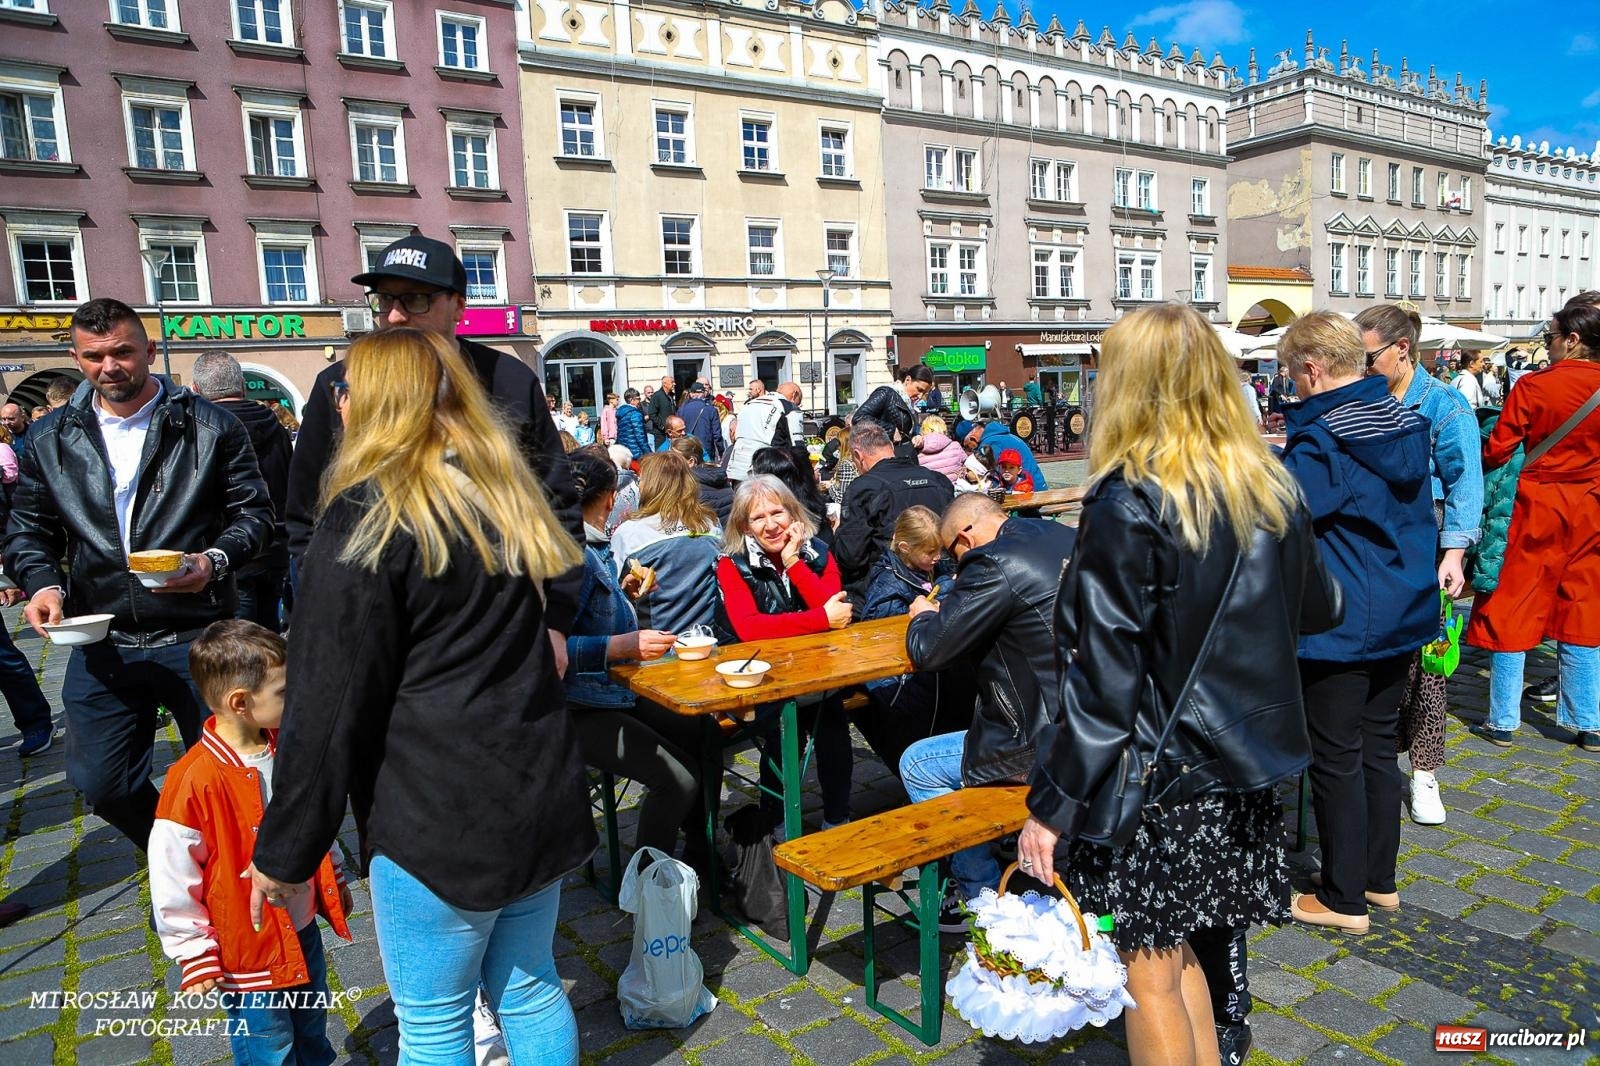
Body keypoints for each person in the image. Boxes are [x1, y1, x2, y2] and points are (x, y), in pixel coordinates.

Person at [248, 327, 593, 1064]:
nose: (336, 401)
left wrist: (285, 852)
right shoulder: (499, 488)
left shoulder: (371, 514)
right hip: (529, 780)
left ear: (372, 401)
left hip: (436, 810)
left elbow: (325, 701)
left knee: (435, 1021)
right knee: (531, 989)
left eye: (346, 388)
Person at [1017, 303, 1340, 1066]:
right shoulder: (1267, 482)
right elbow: (1319, 607)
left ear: (1128, 385)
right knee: (1179, 951)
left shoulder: (1129, 498)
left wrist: (1052, 808)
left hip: (1156, 778)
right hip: (1241, 764)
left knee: (1147, 972)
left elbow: (1103, 679)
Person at [4, 298, 273, 850]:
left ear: (149, 351)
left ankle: (249, 880)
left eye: (123, 352)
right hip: (105, 637)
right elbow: (28, 530)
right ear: (77, 359)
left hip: (199, 634)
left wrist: (212, 561)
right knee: (102, 783)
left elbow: (256, 515)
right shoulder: (51, 437)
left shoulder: (208, 425)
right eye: (94, 356)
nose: (110, 367)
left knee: (242, 771)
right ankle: (181, 857)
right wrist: (43, 584)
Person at [285, 234, 581, 649]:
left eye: (414, 300)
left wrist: (555, 624)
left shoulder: (508, 381)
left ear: (458, 304)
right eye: (384, 300)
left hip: (501, 628)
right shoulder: (342, 385)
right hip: (368, 627)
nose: (393, 317)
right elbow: (303, 515)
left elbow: (557, 509)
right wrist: (326, 612)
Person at [1275, 313, 1438, 936]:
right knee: (1374, 748)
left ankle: (1343, 898)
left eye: (1293, 374)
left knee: (1335, 754)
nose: (1292, 385)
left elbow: (1286, 515)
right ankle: (1377, 878)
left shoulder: (1327, 435)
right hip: (1400, 606)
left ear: (1312, 370)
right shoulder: (1400, 417)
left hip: (1342, 617)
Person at [150, 620, 352, 1063]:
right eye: (283, 692)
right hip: (246, 949)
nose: (295, 699)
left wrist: (332, 876)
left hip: (299, 928)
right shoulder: (192, 780)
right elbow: (172, 874)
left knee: (311, 1027)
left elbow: (312, 820)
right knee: (267, 1045)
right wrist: (193, 952)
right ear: (240, 702)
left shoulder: (287, 749)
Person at [899, 494, 1076, 927]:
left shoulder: (991, 561)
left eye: (955, 554)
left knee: (918, 763)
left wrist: (922, 614)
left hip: (1037, 742)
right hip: (1085, 721)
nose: (956, 567)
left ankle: (982, 897)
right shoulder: (1059, 534)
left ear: (965, 537)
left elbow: (929, 649)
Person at [1355, 305, 1482, 825]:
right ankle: (1379, 760)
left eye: (1368, 358)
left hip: (1427, 549)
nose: (1362, 368)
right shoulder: (1364, 399)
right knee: (1382, 664)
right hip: (1377, 549)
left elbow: (1465, 481)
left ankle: (1425, 773)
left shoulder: (1444, 404)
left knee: (1429, 663)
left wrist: (1454, 553)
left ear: (1401, 350)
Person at [1464, 298, 1600, 753]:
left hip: (1536, 504)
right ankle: (1588, 721)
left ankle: (1503, 719)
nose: (1549, 344)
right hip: (1591, 508)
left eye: (1552, 338)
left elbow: (1500, 447)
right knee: (1583, 608)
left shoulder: (1535, 386)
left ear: (1573, 341)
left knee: (1513, 603)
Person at [564, 450, 711, 872]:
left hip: (612, 692)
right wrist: (620, 646)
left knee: (699, 729)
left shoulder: (594, 543)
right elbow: (544, 647)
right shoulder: (570, 553)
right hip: (577, 707)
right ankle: (649, 883)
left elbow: (588, 616)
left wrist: (624, 595)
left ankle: (701, 850)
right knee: (679, 778)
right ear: (611, 498)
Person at [714, 475, 853, 829]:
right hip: (764, 678)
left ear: (793, 513)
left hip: (819, 673)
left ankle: (837, 819)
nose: (771, 525)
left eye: (778, 512)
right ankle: (777, 820)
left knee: (832, 720)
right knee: (781, 728)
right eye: (759, 518)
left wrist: (794, 563)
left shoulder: (819, 552)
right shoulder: (733, 564)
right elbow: (750, 628)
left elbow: (835, 607)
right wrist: (819, 619)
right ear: (744, 524)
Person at [857, 506, 969, 776]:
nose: (937, 557)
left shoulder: (932, 566)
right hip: (902, 678)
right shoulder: (888, 587)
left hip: (932, 667)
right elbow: (886, 638)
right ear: (905, 547)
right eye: (930, 553)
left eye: (939, 550)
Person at [192, 350, 293, 632]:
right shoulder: (277, 424)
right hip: (276, 542)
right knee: (270, 635)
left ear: (197, 390)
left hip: (229, 551)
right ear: (243, 385)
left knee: (239, 643)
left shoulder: (205, 429)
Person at [833, 419, 954, 604]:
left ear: (858, 455)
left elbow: (851, 557)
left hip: (887, 591)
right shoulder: (938, 479)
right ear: (890, 446)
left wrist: (837, 533)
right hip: (940, 584)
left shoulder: (864, 488)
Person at [609, 452, 722, 635]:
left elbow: (611, 597)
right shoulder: (711, 524)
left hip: (655, 646)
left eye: (641, 480)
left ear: (650, 485)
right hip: (707, 637)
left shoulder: (629, 533)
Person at [750, 445, 833, 546]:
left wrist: (791, 560)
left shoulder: (809, 540)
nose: (770, 526)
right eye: (758, 518)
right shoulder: (816, 512)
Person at [725, 378, 805, 482]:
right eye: (798, 403)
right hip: (764, 474)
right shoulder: (789, 408)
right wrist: (808, 476)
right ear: (794, 395)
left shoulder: (748, 405)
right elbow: (798, 447)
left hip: (737, 471)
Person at [851, 366, 934, 453]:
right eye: (919, 389)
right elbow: (859, 418)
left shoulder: (910, 405)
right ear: (907, 380)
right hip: (883, 456)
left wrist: (917, 437)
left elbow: (907, 432)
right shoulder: (886, 393)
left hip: (903, 457)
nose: (920, 396)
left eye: (924, 393)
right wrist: (891, 429)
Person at [954, 417, 1047, 490]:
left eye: (967, 446)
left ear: (972, 438)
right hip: (1037, 484)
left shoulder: (989, 444)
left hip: (1029, 489)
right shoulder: (1000, 435)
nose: (970, 450)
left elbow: (992, 476)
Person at [671, 435, 733, 525]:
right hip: (729, 532)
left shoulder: (689, 487)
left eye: (674, 459)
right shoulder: (719, 475)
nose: (669, 463)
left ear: (691, 462)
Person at [677, 381, 725, 462]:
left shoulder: (681, 410)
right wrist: (721, 452)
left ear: (691, 394)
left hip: (687, 448)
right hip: (706, 451)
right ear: (703, 393)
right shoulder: (711, 410)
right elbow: (717, 435)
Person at [915, 415, 966, 483]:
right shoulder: (955, 446)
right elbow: (967, 466)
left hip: (931, 490)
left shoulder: (917, 451)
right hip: (956, 489)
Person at [615, 388, 650, 460]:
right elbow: (640, 436)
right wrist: (648, 453)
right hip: (636, 452)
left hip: (624, 451)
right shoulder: (635, 414)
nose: (639, 401)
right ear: (631, 400)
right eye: (638, 398)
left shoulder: (622, 413)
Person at [646, 376, 677, 446]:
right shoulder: (657, 396)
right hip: (660, 434)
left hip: (671, 432)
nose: (674, 384)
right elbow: (652, 414)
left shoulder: (671, 396)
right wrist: (662, 426)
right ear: (664, 384)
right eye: (672, 382)